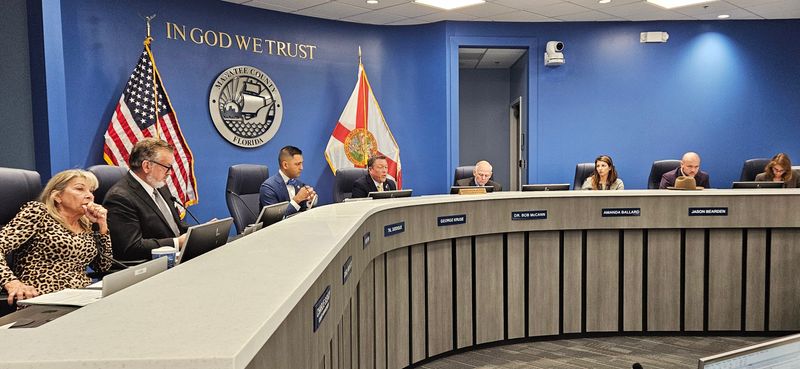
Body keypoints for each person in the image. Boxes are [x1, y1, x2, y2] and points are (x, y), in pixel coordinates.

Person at [1, 170, 112, 304]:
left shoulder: (86, 222)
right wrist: (11, 282)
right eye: (80, 189)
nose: (89, 196)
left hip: (82, 296)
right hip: (42, 298)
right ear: (57, 196)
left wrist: (102, 226)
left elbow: (103, 266)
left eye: (91, 191)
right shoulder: (38, 213)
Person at [104, 138, 189, 261]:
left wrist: (198, 234)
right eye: (167, 167)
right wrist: (176, 243)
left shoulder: (160, 186)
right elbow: (131, 247)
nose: (169, 173)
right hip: (150, 266)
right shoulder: (120, 197)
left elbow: (175, 227)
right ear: (147, 166)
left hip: (176, 258)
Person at [260, 145, 317, 216]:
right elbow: (275, 219)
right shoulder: (268, 188)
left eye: (302, 163)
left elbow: (303, 210)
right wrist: (297, 200)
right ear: (285, 165)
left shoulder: (300, 185)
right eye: (297, 164)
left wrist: (310, 202)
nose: (301, 168)